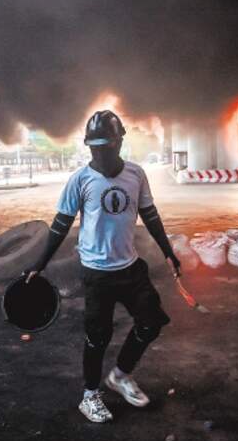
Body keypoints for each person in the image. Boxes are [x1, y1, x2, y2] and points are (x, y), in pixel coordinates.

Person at [26, 110, 181, 423]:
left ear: (120, 141)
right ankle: (90, 395)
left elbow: (150, 215)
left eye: (106, 146)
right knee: (98, 336)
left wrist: (168, 252)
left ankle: (120, 376)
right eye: (95, 147)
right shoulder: (79, 180)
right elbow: (60, 225)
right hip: (97, 273)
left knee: (150, 322)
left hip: (131, 267)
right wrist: (38, 264)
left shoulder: (136, 174)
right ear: (88, 147)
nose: (101, 153)